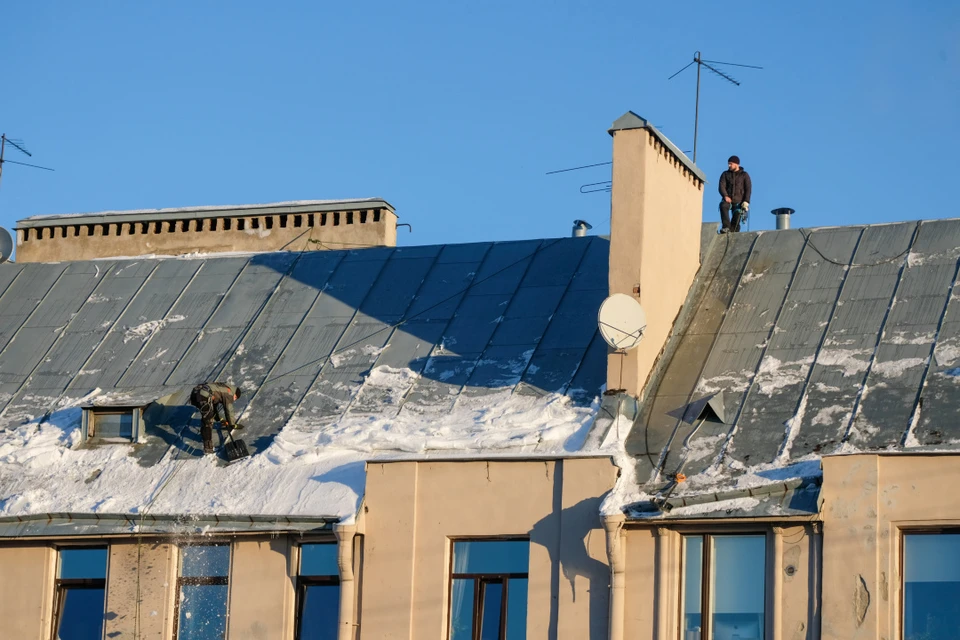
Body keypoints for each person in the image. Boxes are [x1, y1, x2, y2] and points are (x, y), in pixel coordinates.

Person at [189, 382, 242, 455]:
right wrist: (232, 424)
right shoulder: (229, 393)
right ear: (235, 394)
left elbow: (213, 408)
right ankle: (208, 448)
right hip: (204, 395)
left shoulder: (221, 388)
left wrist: (219, 419)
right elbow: (229, 409)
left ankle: (204, 435)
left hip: (196, 394)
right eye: (235, 397)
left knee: (207, 417)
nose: (234, 399)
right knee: (208, 422)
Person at [718, 155, 752, 233]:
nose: (729, 165)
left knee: (736, 220)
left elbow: (748, 189)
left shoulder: (744, 175)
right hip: (728, 200)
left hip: (739, 202)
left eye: (731, 164)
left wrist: (746, 201)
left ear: (736, 164)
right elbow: (721, 186)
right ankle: (726, 227)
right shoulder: (725, 174)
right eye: (728, 164)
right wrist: (725, 196)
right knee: (723, 206)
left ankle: (733, 232)